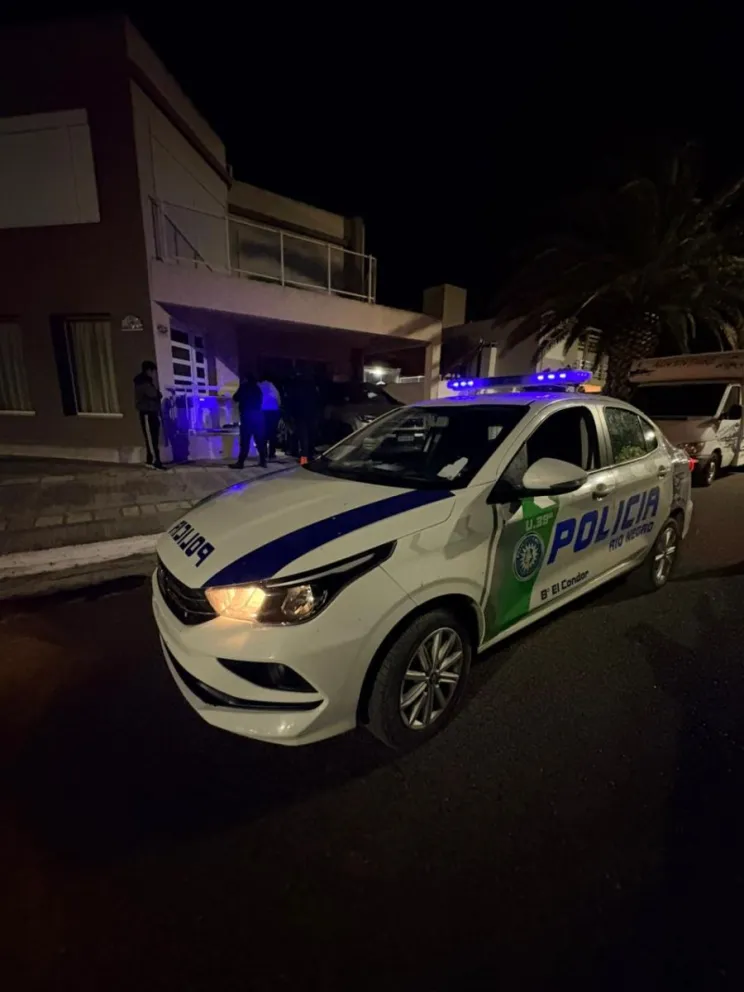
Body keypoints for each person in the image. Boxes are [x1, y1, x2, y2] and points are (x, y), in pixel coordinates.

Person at [133, 360, 166, 469]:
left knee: (153, 438)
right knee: (151, 438)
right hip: (147, 413)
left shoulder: (147, 381)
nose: (154, 374)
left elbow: (157, 395)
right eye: (153, 371)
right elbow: (154, 394)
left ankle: (152, 459)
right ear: (148, 371)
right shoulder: (143, 382)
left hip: (152, 412)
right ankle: (154, 461)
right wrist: (156, 387)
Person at [230, 372, 267, 469]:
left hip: (247, 416)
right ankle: (263, 461)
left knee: (245, 441)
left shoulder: (244, 387)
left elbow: (235, 398)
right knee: (259, 440)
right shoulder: (257, 389)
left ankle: (240, 462)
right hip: (258, 416)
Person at [258, 373, 281, 460]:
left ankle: (263, 452)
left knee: (263, 432)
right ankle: (272, 453)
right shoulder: (273, 387)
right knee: (272, 433)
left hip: (262, 412)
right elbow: (278, 400)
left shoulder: (259, 386)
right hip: (273, 412)